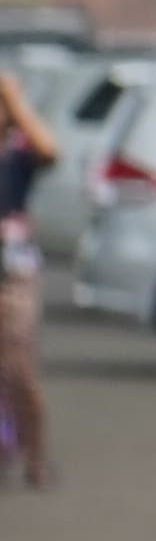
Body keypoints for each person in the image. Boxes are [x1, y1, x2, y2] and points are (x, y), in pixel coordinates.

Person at [0, 53, 59, 491]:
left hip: (12, 276)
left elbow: (49, 150)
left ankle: (35, 455)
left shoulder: (17, 155)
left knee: (16, 368)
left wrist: (13, 100)